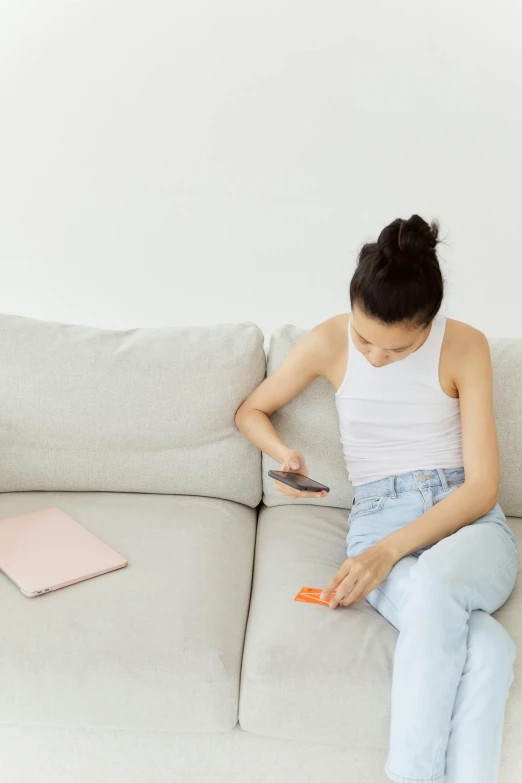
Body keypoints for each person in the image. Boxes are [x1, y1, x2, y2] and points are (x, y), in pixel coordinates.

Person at [234, 214, 518, 783]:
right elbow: (250, 411)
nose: (373, 357)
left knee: (438, 584)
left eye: (396, 349)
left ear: (428, 324)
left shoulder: (466, 345)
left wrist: (388, 554)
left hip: (468, 525)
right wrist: (283, 453)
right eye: (364, 339)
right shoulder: (327, 340)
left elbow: (483, 487)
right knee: (488, 652)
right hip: (376, 517)